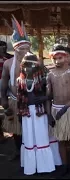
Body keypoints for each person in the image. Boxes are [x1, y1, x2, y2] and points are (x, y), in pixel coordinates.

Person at [46, 44, 70, 177]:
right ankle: (65, 166)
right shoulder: (50, 73)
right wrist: (49, 114)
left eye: (60, 58)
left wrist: (66, 107)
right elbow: (48, 96)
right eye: (54, 59)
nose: (57, 61)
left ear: (66, 58)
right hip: (56, 110)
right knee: (61, 140)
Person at [17, 53, 56, 175]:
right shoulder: (20, 80)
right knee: (29, 138)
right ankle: (31, 166)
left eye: (30, 66)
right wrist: (20, 114)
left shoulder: (43, 80)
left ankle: (45, 166)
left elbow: (50, 96)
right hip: (27, 113)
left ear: (36, 67)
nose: (27, 69)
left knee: (41, 137)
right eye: (25, 66)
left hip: (40, 113)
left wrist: (48, 111)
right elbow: (19, 99)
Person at [1, 16, 30, 161]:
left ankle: (31, 151)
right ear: (16, 48)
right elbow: (3, 84)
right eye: (22, 49)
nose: (25, 51)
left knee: (30, 129)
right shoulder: (8, 64)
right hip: (13, 100)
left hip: (31, 101)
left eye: (27, 48)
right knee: (16, 130)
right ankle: (19, 151)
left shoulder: (34, 61)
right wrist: (4, 102)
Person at [0, 40, 13, 143]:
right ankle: (1, 134)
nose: (3, 48)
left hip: (9, 84)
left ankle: (13, 129)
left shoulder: (10, 57)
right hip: (2, 84)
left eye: (4, 46)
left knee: (10, 107)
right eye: (1, 47)